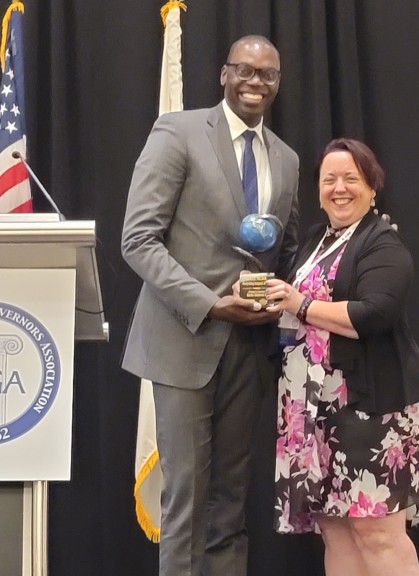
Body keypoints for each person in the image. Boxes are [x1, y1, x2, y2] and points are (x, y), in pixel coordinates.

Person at [120, 35, 299, 576]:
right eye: (244, 70)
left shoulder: (286, 159)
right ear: (224, 74)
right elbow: (138, 240)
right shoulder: (177, 132)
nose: (255, 82)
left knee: (230, 501)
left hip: (249, 347)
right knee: (186, 501)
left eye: (267, 74)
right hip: (184, 340)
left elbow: (284, 252)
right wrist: (210, 305)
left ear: (277, 83)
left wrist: (281, 297)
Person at [263, 138, 419, 576]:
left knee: (377, 533)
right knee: (335, 529)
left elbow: (373, 314)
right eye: (329, 179)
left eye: (351, 179)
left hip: (370, 406)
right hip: (313, 412)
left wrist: (298, 304)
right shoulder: (315, 241)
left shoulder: (382, 244)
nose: (339, 188)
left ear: (372, 188)